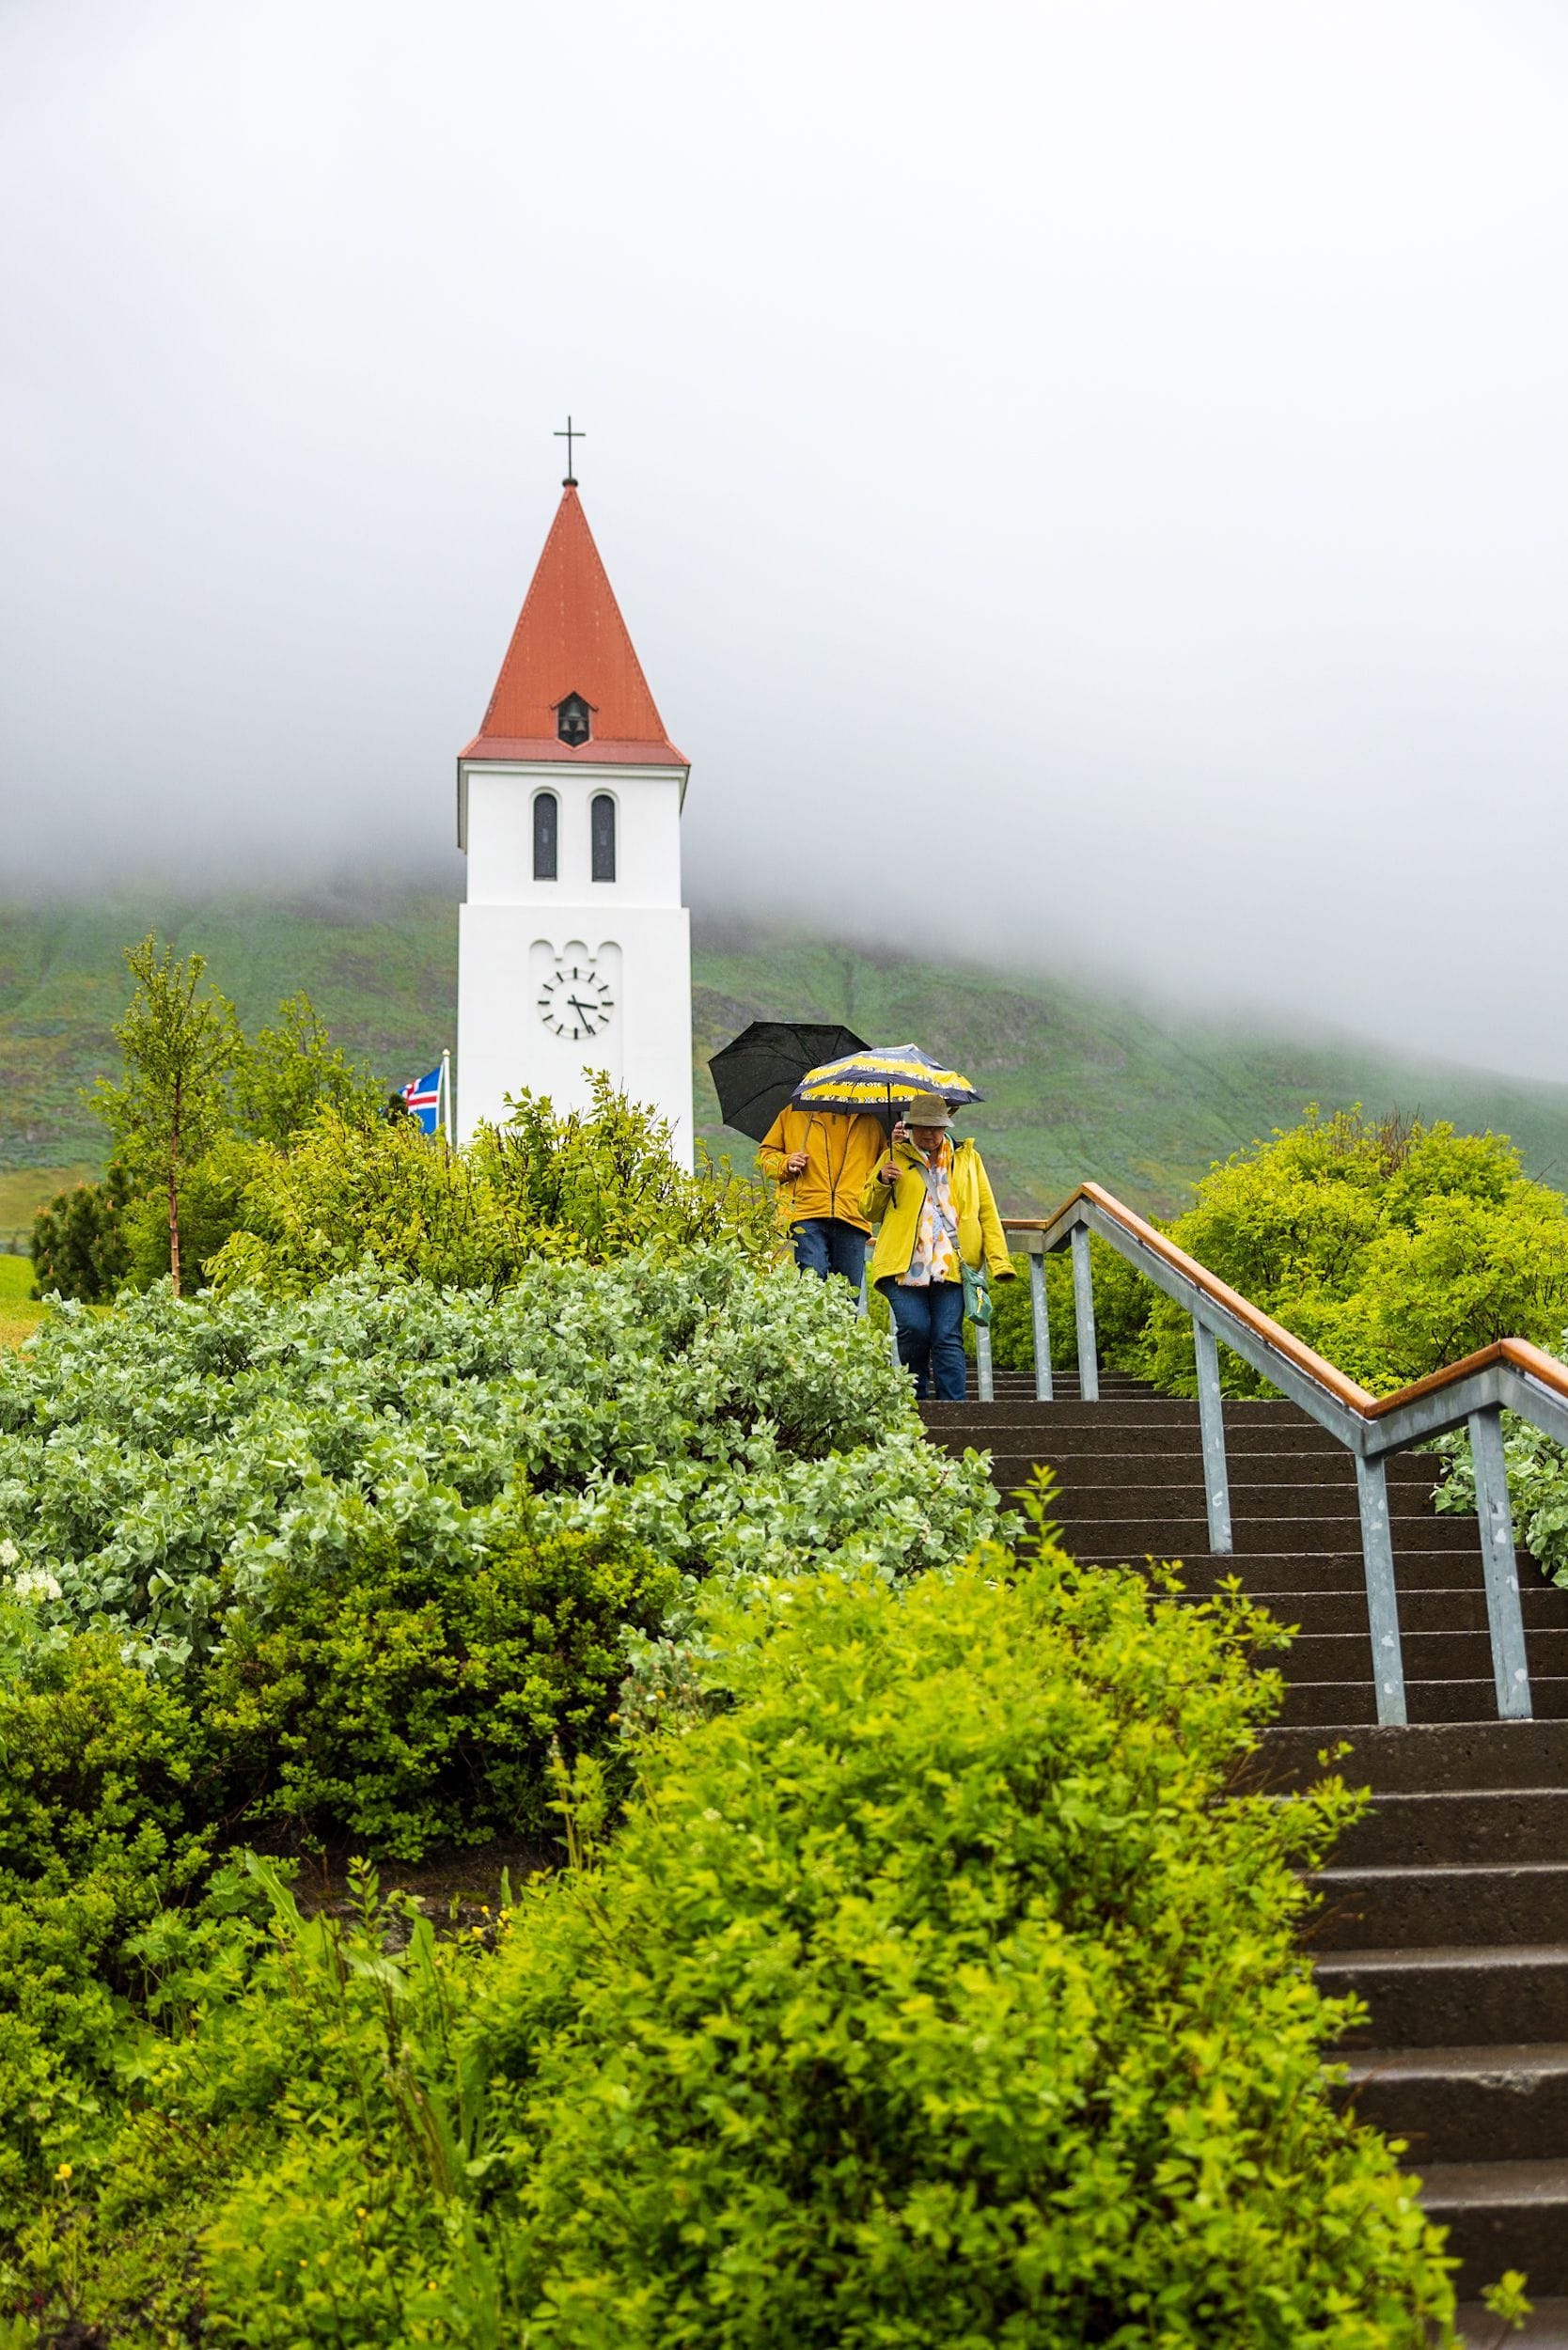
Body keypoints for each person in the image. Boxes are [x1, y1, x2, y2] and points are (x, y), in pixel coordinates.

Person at [858, 1092, 1013, 1400]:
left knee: (947, 1337)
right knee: (914, 1330)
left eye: (937, 1127)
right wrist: (881, 1181)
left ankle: (954, 1411)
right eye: (922, 1127)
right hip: (903, 1266)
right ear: (911, 1126)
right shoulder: (894, 1156)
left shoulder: (968, 1158)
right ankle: (915, 1403)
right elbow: (868, 1211)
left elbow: (986, 1211)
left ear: (946, 1125)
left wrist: (1000, 1262)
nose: (930, 1133)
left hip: (953, 1264)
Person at [757, 1103, 886, 1284]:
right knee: (812, 1282)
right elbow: (766, 1155)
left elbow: (884, 1166)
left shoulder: (870, 1122)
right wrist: (786, 1162)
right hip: (807, 1212)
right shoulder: (794, 1113)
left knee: (847, 1295)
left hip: (853, 1215)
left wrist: (897, 1144)